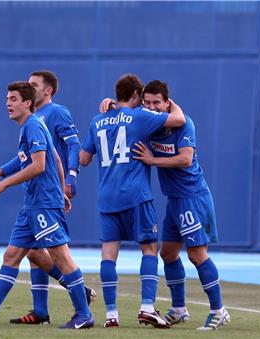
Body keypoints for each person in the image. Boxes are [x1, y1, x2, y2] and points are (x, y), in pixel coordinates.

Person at [0, 81, 94, 329]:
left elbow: (39, 165)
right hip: (33, 205)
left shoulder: (32, 125)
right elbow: (54, 159)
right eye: (7, 98)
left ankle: (84, 314)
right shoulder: (31, 126)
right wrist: (0, 171)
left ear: (27, 103)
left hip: (43, 205)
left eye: (13, 99)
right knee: (12, 255)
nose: (7, 103)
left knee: (61, 257)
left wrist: (4, 183)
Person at [80, 73, 185, 328]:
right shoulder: (140, 116)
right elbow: (179, 119)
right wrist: (169, 104)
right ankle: (147, 307)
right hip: (136, 195)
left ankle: (111, 315)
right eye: (142, 99)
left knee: (108, 255)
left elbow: (83, 159)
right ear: (137, 95)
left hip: (107, 197)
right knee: (149, 249)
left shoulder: (97, 120)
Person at [131, 80, 230, 330]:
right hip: (175, 199)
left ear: (167, 103)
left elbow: (186, 159)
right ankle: (178, 309)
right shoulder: (150, 124)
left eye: (157, 102)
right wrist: (110, 104)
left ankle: (219, 311)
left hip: (192, 196)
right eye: (148, 102)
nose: (152, 107)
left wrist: (152, 160)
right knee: (168, 253)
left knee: (197, 254)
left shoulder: (183, 123)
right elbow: (127, 113)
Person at [9, 71, 95, 325]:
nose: (28, 87)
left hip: (51, 192)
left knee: (52, 253)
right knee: (34, 254)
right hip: (37, 194)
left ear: (47, 90)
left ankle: (77, 300)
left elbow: (72, 145)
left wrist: (70, 176)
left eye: (33, 85)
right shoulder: (30, 118)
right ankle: (42, 311)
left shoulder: (56, 112)